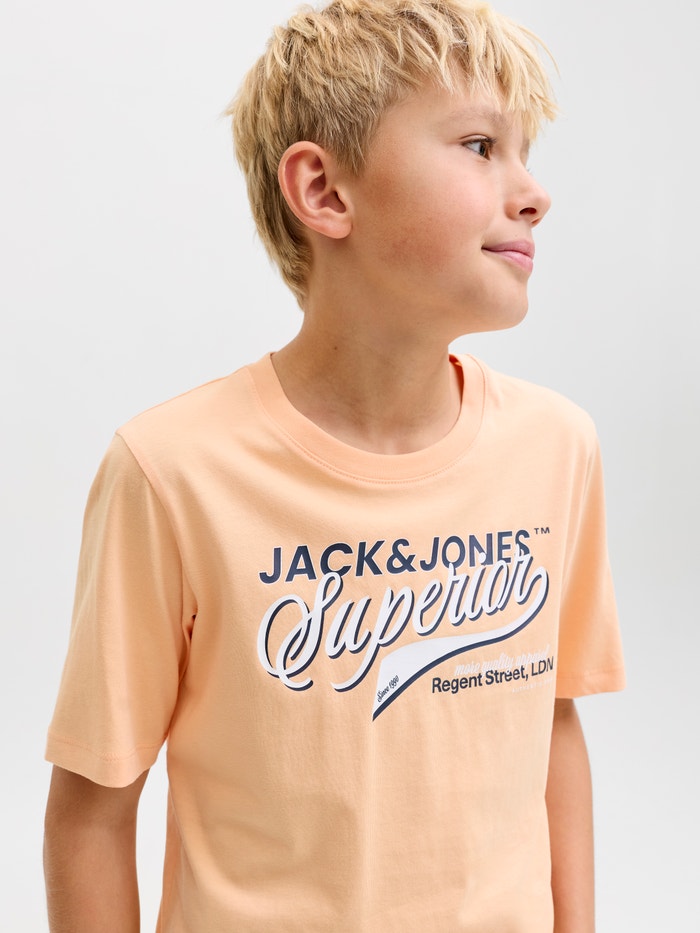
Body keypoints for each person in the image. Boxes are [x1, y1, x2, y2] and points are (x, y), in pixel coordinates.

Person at [43, 1, 626, 930]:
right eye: (481, 146)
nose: (533, 192)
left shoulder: (557, 447)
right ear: (323, 191)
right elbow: (93, 810)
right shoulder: (172, 472)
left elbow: (549, 725)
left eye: (526, 152)